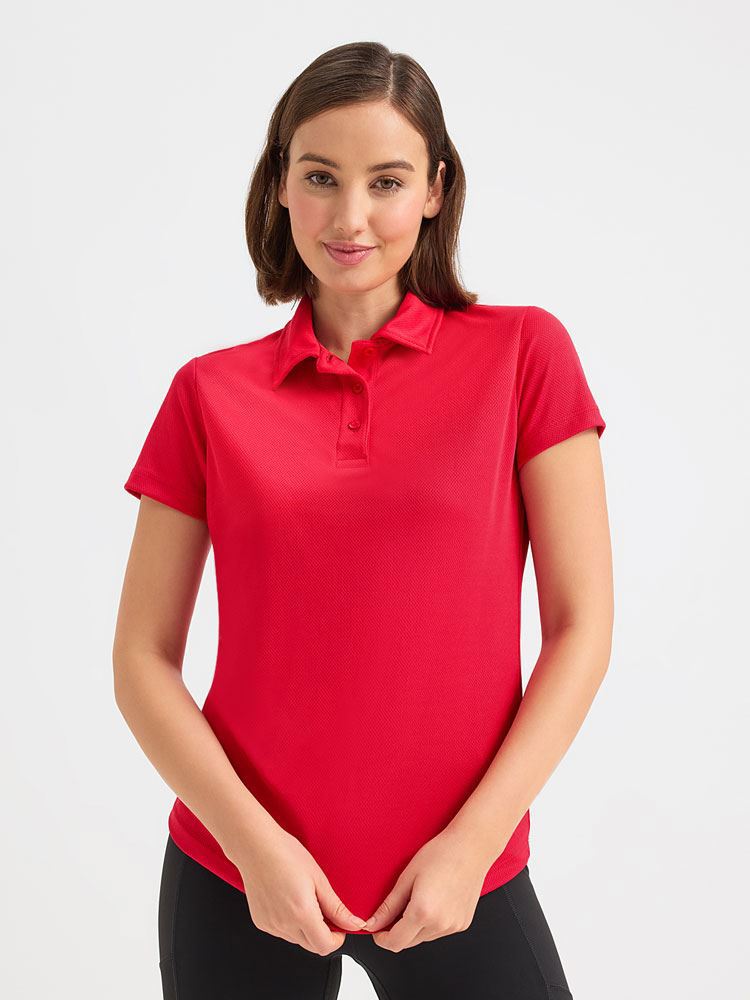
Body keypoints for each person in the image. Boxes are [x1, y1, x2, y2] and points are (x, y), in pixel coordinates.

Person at [113, 40, 613, 1000]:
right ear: (279, 186)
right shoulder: (208, 394)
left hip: (461, 878)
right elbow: (140, 657)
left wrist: (471, 847)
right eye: (319, 177)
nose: (350, 217)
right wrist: (254, 849)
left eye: (386, 181)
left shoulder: (525, 354)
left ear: (435, 188)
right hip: (240, 877)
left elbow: (581, 627)